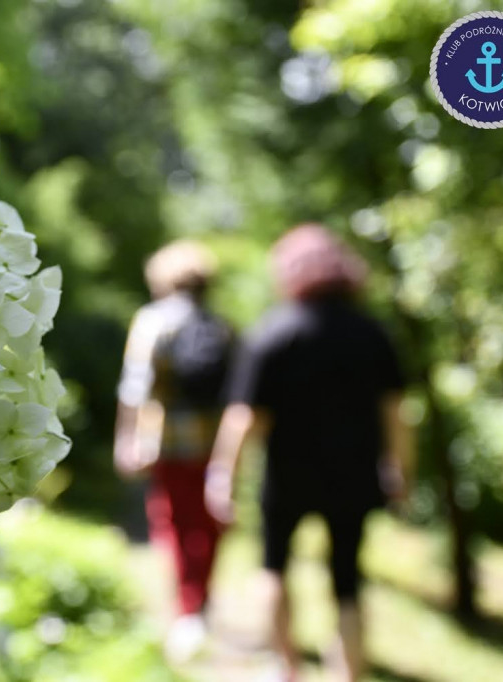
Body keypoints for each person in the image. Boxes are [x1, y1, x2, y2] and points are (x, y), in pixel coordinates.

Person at [204, 225, 415, 682]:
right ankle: (349, 674)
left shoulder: (273, 333)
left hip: (287, 477)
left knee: (273, 568)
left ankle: (287, 668)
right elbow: (397, 413)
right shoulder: (372, 334)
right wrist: (401, 472)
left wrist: (223, 476)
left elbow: (245, 418)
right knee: (348, 583)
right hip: (354, 476)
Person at [115, 240, 235, 663]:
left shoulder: (152, 322)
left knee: (175, 522)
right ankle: (199, 601)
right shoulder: (222, 326)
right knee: (209, 522)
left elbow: (135, 389)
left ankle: (186, 611)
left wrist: (126, 440)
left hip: (167, 442)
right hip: (215, 442)